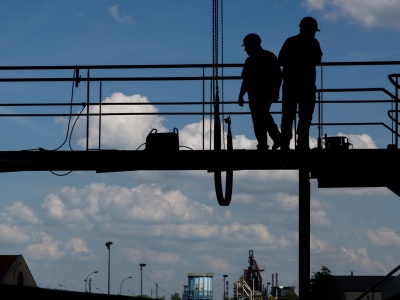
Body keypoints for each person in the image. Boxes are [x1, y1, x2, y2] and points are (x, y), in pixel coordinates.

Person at [278, 16, 323, 150]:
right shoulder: (314, 43)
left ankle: (285, 143)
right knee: (305, 115)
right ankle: (302, 143)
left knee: (288, 115)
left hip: (291, 84)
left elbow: (280, 60)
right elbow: (317, 60)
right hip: (306, 85)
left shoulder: (291, 41)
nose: (314, 33)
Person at [238, 33, 282, 151]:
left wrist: (241, 95)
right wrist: (276, 92)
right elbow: (278, 77)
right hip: (262, 94)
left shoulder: (252, 60)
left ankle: (268, 142)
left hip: (257, 94)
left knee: (260, 117)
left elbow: (246, 80)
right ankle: (271, 140)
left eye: (246, 46)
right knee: (261, 117)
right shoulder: (269, 56)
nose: (245, 49)